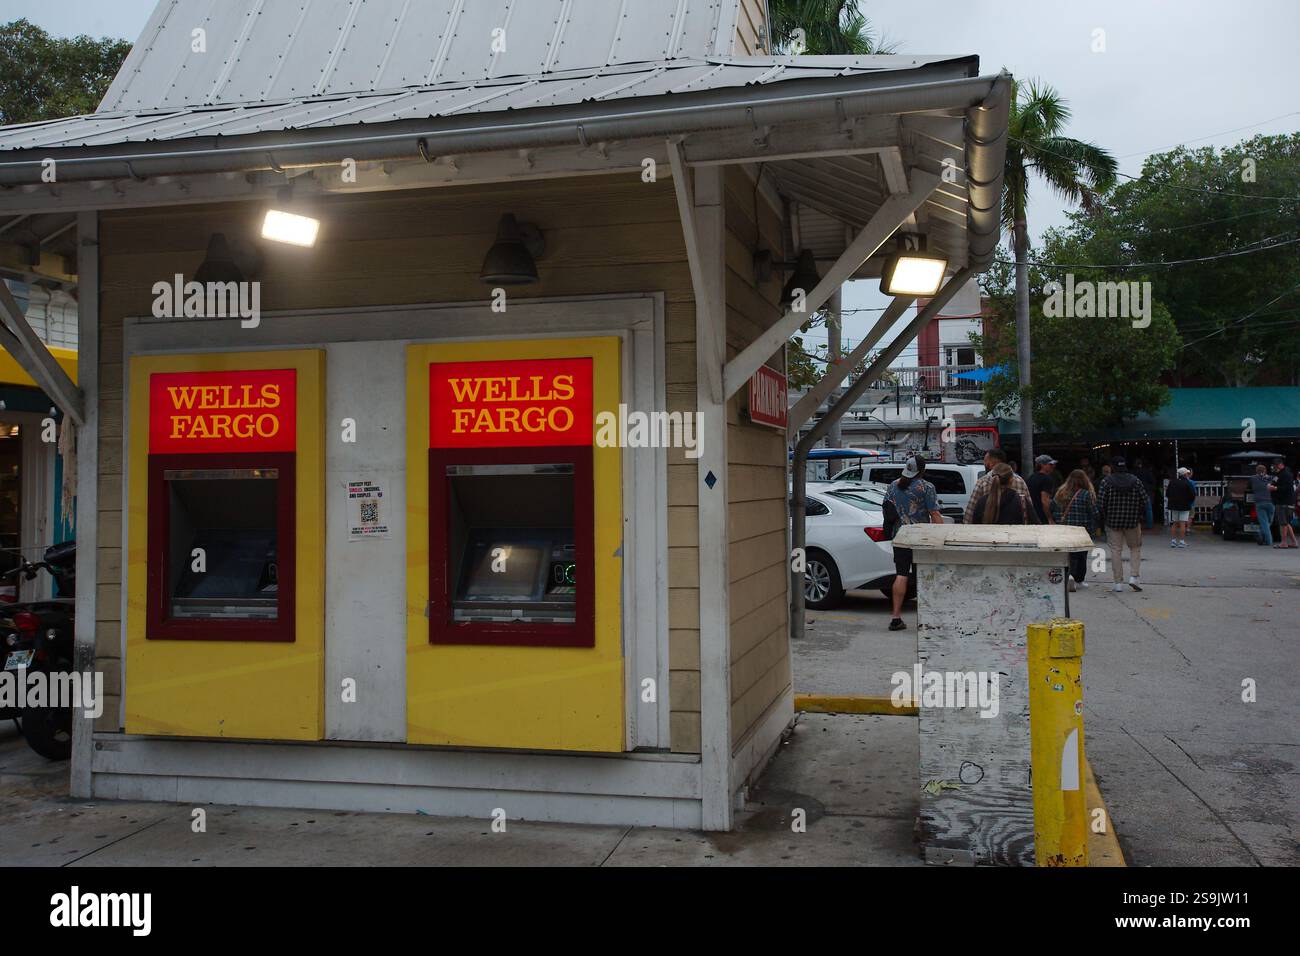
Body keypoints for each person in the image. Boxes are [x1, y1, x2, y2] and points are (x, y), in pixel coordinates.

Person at [884, 456, 943, 632]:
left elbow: (887, 510)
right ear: (923, 470)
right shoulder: (926, 487)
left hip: (900, 537)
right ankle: (925, 619)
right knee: (923, 577)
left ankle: (895, 617)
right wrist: (942, 534)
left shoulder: (893, 485)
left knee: (901, 575)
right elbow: (934, 513)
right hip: (920, 538)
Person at [1098, 457, 1150, 592]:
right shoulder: (1135, 481)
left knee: (1116, 550)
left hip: (1112, 521)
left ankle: (1118, 583)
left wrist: (1106, 516)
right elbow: (1145, 500)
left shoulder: (1106, 482)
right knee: (1135, 548)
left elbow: (1100, 503)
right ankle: (1134, 576)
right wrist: (1138, 513)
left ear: (1113, 467)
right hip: (1132, 521)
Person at [1052, 469, 1100, 591]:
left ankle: (1068, 576)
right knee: (1081, 555)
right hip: (1082, 531)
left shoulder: (1061, 493)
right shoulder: (1086, 494)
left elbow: (1054, 510)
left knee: (1067, 554)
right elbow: (1094, 513)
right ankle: (1078, 579)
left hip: (1064, 530)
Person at [963, 447, 1035, 524]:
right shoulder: (1020, 481)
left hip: (989, 529)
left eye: (985, 460)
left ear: (991, 463)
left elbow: (970, 514)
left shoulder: (982, 482)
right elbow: (1029, 511)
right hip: (1016, 529)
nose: (984, 463)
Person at [1165, 467, 1197, 548]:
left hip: (1174, 505)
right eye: (1187, 473)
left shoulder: (1172, 482)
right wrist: (1189, 501)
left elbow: (1167, 494)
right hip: (1184, 506)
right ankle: (1182, 542)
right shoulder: (1187, 483)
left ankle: (1173, 541)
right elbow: (1192, 494)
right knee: (1182, 523)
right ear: (1185, 474)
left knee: (1175, 523)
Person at [1270, 459, 1297, 549]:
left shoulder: (1286, 474)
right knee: (1286, 523)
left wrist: (1275, 488)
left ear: (1281, 464)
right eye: (1274, 465)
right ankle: (1294, 542)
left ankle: (1284, 543)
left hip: (1284, 502)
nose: (1274, 467)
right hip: (1283, 502)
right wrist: (1271, 485)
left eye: (1276, 465)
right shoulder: (1279, 474)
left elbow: (1286, 488)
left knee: (1283, 523)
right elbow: (1275, 482)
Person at [1248, 464, 1276, 547]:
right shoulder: (1271, 478)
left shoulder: (1252, 478)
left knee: (1264, 523)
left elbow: (1249, 486)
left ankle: (1264, 537)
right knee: (1268, 522)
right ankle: (1268, 541)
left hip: (1259, 503)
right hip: (1271, 502)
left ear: (1256, 471)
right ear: (1265, 470)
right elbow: (1277, 480)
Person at [1027, 454, 1057, 524]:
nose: (1053, 466)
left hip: (1032, 515)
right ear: (1042, 465)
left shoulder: (1031, 477)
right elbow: (1045, 501)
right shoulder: (1047, 479)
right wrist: (1049, 518)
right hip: (1042, 516)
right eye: (1050, 464)